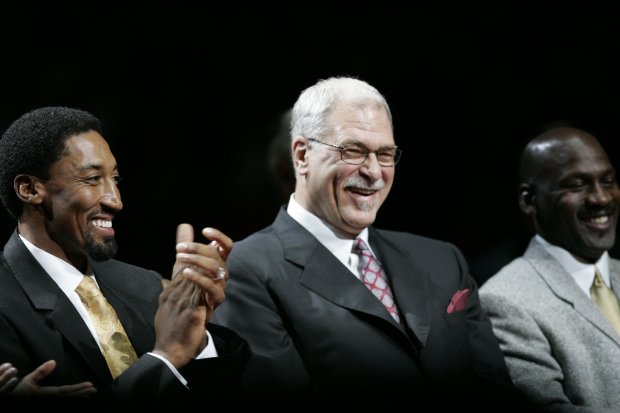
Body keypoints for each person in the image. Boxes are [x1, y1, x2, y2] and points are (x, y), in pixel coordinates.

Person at [211, 76, 527, 407]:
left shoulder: (442, 259)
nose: (374, 172)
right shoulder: (248, 269)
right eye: (354, 151)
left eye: (385, 154)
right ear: (302, 155)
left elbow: (496, 390)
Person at [0, 106, 248, 402]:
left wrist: (196, 339)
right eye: (93, 179)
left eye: (114, 179)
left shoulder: (147, 287)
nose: (115, 201)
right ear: (29, 189)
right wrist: (167, 357)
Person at [479, 127, 620, 411]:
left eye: (608, 181)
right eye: (577, 185)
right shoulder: (504, 300)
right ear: (529, 201)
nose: (601, 198)